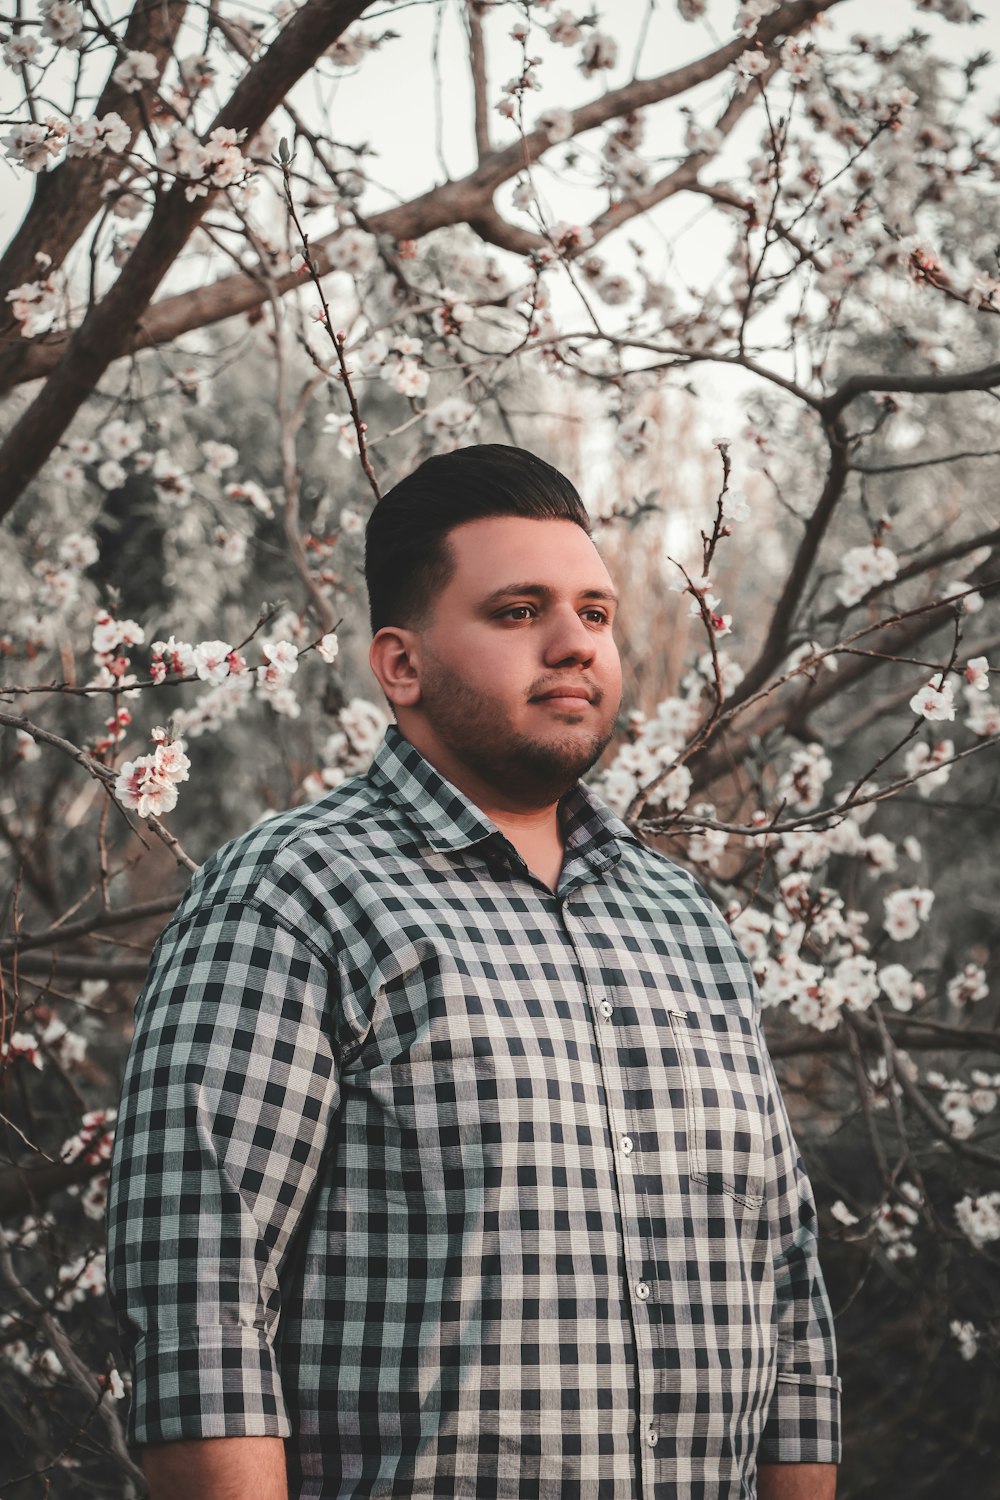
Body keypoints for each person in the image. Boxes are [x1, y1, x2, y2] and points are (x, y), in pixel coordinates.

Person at [107, 444, 840, 1500]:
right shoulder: (293, 897)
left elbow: (786, 1298)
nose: (573, 645)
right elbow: (198, 1304)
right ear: (400, 664)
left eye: (593, 613)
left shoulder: (687, 923)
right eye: (516, 612)